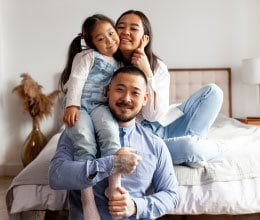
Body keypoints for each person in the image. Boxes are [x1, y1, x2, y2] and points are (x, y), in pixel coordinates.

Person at [49, 66, 179, 220]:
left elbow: (172, 196)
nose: (126, 98)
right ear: (107, 91)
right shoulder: (78, 132)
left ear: (145, 98)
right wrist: (112, 163)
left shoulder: (155, 145)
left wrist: (135, 206)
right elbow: (56, 176)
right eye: (120, 89)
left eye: (135, 93)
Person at [59, 14, 148, 220]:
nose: (109, 40)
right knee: (84, 141)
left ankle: (114, 186)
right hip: (80, 105)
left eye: (111, 33)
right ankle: (86, 196)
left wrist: (140, 51)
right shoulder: (86, 56)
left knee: (110, 135)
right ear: (91, 43)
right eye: (101, 38)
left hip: (100, 106)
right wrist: (72, 104)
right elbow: (76, 79)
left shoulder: (119, 64)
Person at [114, 10, 223, 167]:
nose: (125, 32)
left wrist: (147, 73)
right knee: (189, 147)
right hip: (143, 135)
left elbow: (155, 114)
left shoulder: (157, 67)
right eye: (121, 27)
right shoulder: (106, 67)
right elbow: (146, 117)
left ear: (145, 36)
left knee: (213, 92)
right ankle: (204, 149)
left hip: (167, 123)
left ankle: (195, 143)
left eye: (133, 28)